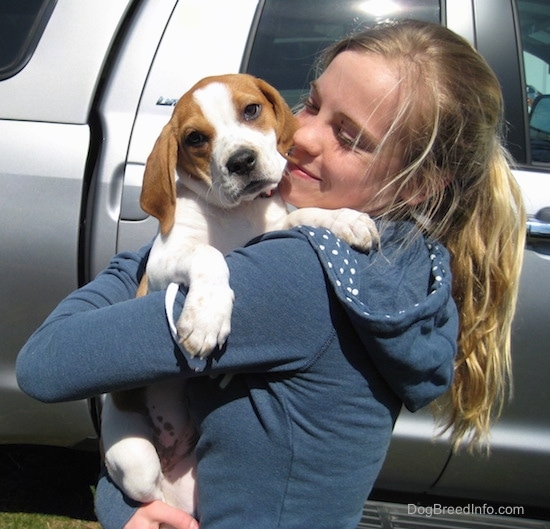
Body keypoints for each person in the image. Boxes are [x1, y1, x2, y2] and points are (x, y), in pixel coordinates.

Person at [16, 19, 525, 529]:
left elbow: (47, 363)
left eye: (348, 136)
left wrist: (117, 507)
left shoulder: (296, 279)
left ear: (420, 183)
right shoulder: (389, 267)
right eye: (310, 103)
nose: (300, 135)